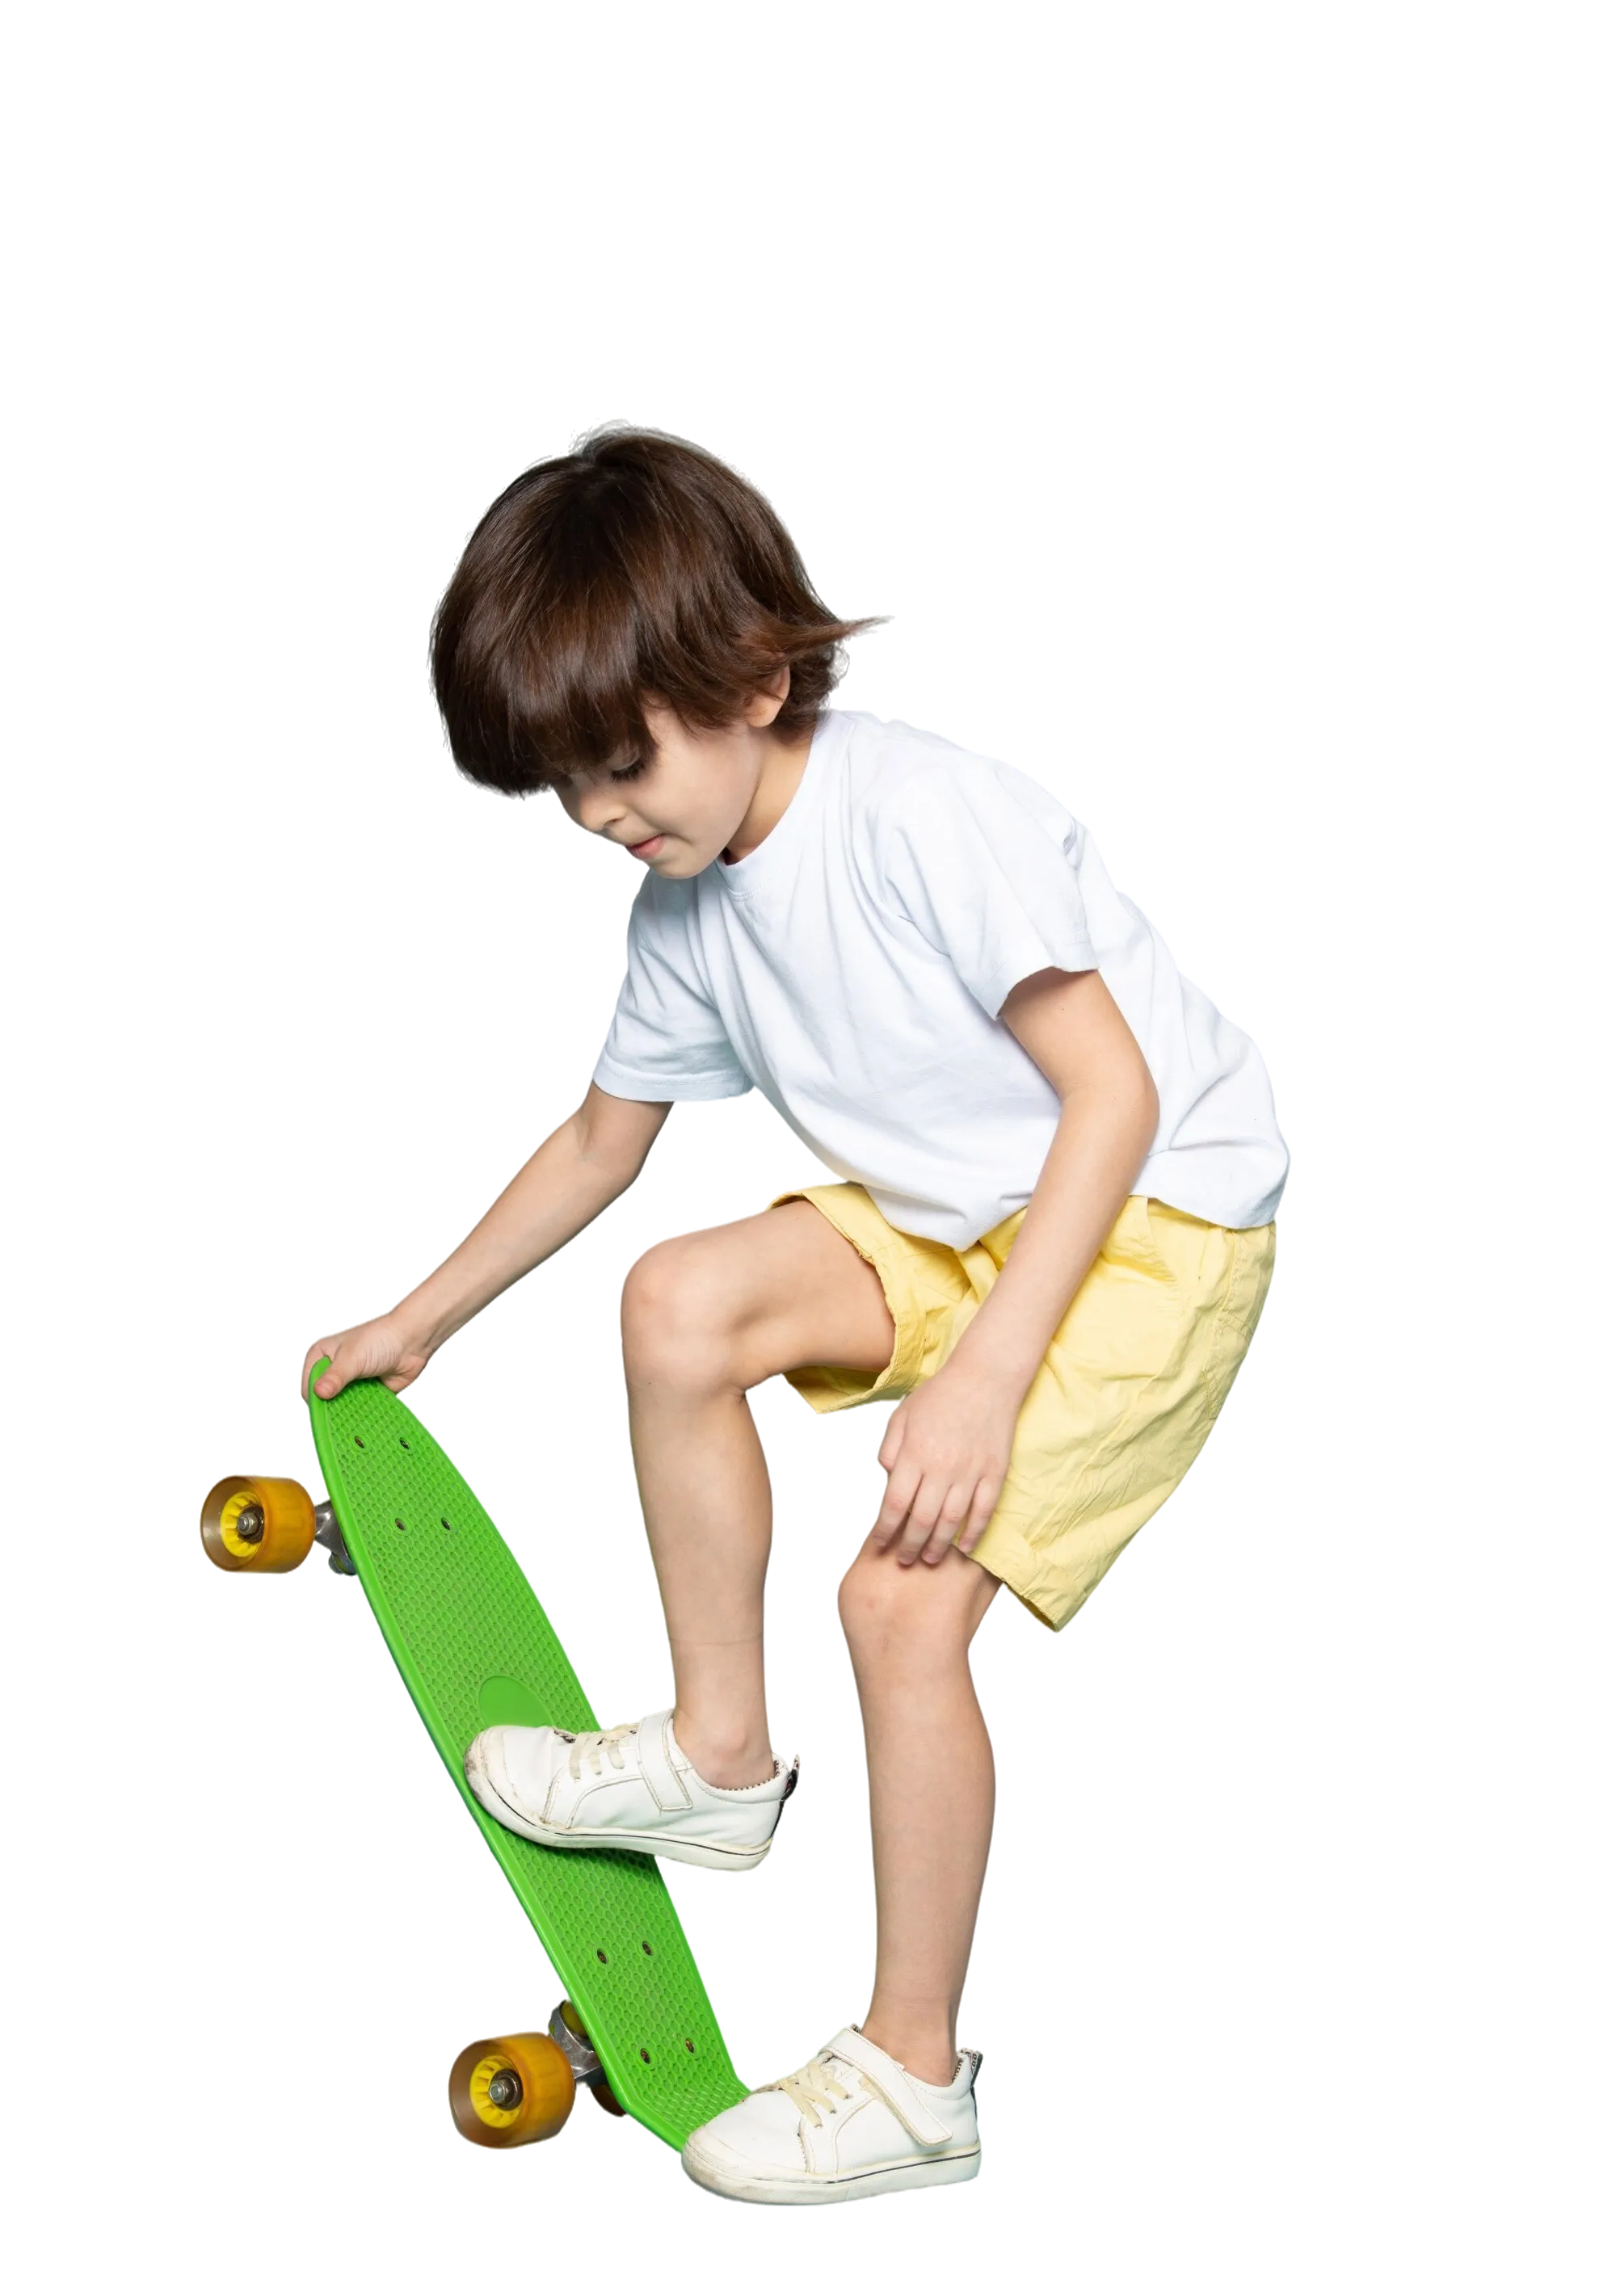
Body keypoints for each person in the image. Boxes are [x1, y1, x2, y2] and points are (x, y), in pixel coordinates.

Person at [301, 432, 1290, 2205]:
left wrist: (986, 1381)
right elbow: (602, 1141)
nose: (596, 816)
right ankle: (716, 1759)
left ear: (754, 681)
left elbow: (1114, 1096)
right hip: (954, 1217)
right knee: (680, 1296)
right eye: (561, 789)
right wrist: (416, 1317)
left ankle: (913, 2077)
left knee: (900, 1601)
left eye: (621, 764)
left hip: (1151, 1218)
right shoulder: (685, 904)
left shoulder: (920, 814)